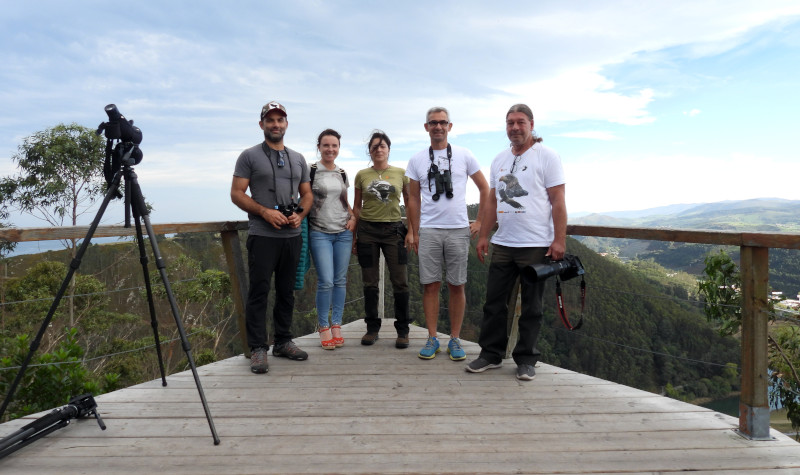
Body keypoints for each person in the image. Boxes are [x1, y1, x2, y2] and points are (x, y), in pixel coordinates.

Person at [467, 103, 567, 381]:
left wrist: (559, 240)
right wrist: (485, 234)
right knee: (494, 302)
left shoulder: (547, 156)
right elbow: (492, 199)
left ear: (532, 125)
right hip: (504, 242)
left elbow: (558, 200)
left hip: (536, 244)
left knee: (532, 307)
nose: (515, 127)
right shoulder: (499, 159)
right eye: (510, 123)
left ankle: (526, 359)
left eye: (520, 122)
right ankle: (491, 354)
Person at [231, 101, 313, 374]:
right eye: (270, 120)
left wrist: (300, 215)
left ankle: (283, 341)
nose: (276, 125)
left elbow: (307, 194)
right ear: (262, 124)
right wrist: (265, 212)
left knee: (287, 291)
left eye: (280, 120)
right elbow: (237, 193)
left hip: (292, 234)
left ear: (286, 124)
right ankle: (257, 348)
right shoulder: (249, 156)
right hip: (263, 235)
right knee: (259, 291)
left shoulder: (298, 158)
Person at [405, 107, 489, 361]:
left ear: (450, 126)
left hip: (458, 229)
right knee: (430, 285)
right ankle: (432, 337)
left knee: (457, 284)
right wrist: (414, 230)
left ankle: (454, 338)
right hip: (429, 229)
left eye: (443, 123)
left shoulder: (465, 155)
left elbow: (485, 189)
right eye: (433, 123)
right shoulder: (417, 159)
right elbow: (412, 197)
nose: (438, 127)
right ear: (426, 127)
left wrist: (480, 222)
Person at [352, 130, 412, 348]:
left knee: (400, 281)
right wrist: (353, 236)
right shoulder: (362, 175)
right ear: (370, 150)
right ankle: (372, 328)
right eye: (375, 146)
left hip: (394, 231)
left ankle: (403, 329)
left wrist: (412, 231)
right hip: (367, 231)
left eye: (382, 146)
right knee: (370, 281)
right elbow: (357, 207)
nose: (378, 149)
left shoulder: (400, 173)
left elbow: (410, 201)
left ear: (388, 149)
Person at [308, 128, 356, 349]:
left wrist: (353, 217)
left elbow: (344, 200)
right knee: (326, 280)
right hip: (320, 231)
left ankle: (337, 323)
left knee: (340, 280)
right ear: (319, 146)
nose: (330, 149)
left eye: (334, 145)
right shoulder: (310, 171)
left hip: (343, 232)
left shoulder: (342, 172)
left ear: (339, 148)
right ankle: (323, 325)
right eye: (326, 145)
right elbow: (303, 198)